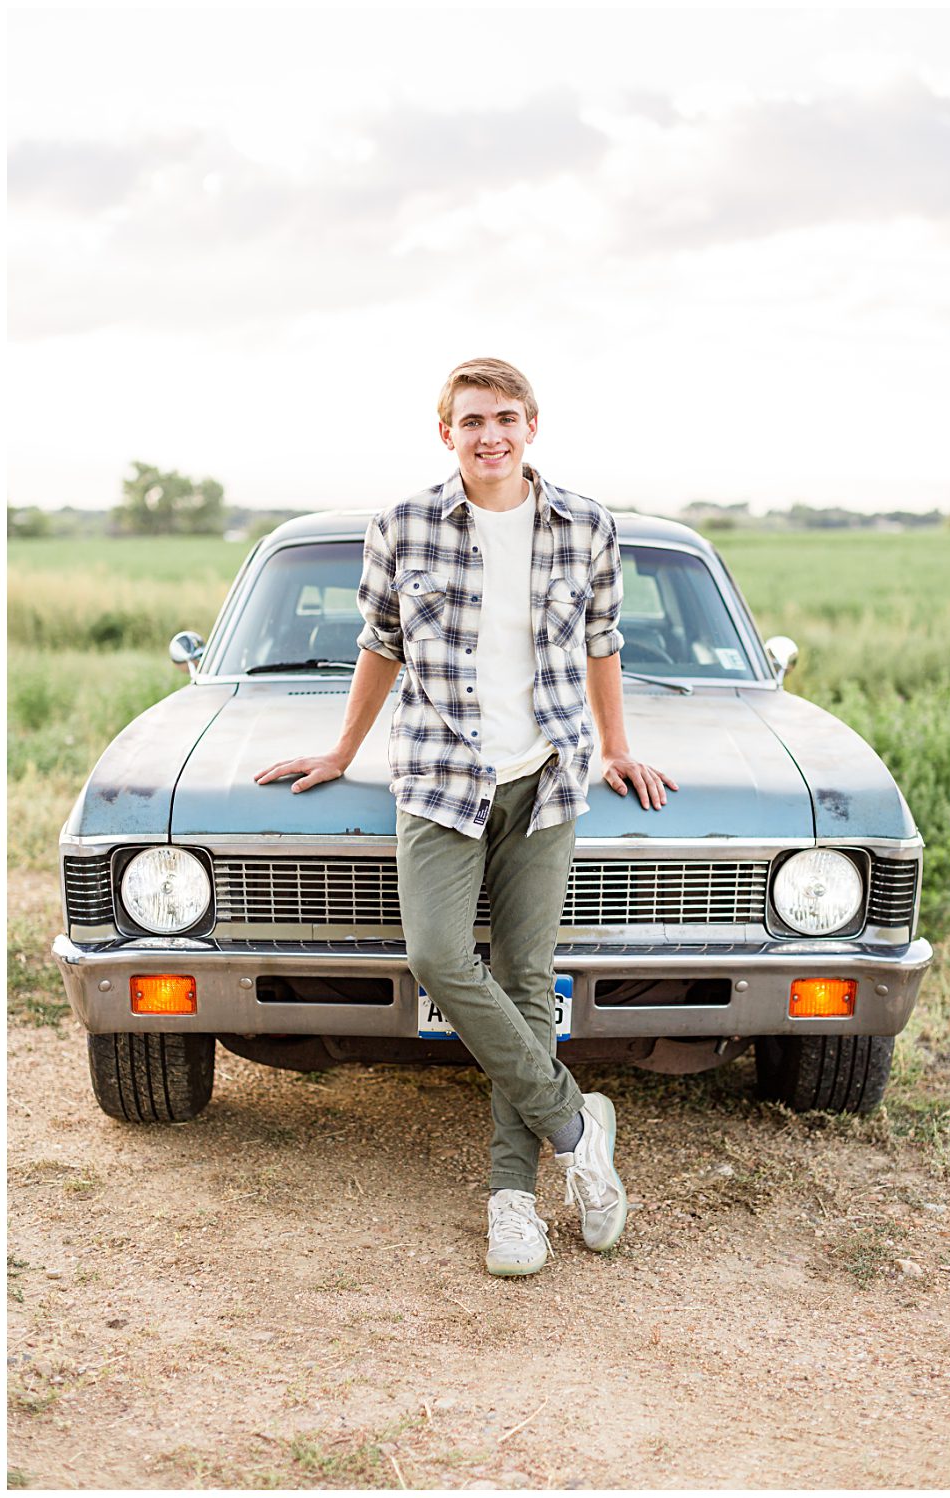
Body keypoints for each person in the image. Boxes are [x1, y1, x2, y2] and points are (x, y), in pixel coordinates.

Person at [257, 357, 677, 1278]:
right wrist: (340, 751)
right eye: (473, 420)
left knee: (527, 979)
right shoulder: (404, 524)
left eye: (507, 418)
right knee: (439, 957)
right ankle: (576, 1125)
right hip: (440, 777)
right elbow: (381, 645)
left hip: (548, 777)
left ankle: (513, 1199)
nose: (491, 434)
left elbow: (602, 644)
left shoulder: (585, 526)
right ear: (445, 432)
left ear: (533, 426)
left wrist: (614, 748)